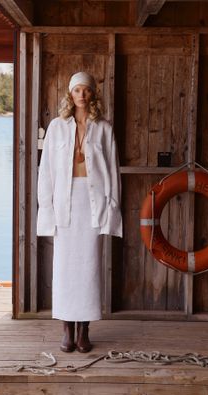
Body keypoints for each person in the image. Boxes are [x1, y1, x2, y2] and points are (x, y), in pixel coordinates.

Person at [37, 71, 122, 353]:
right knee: (63, 269)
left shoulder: (104, 129)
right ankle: (66, 329)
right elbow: (46, 172)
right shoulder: (56, 127)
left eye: (86, 90)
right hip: (65, 201)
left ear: (92, 93)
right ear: (69, 94)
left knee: (89, 268)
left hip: (92, 201)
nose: (82, 95)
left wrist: (112, 207)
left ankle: (84, 330)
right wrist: (46, 208)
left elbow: (112, 172)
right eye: (77, 91)